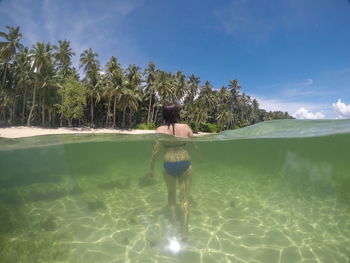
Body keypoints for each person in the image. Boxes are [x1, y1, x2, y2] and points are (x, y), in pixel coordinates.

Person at [148, 103, 198, 241]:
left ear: (164, 114)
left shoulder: (159, 129)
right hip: (184, 163)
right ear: (178, 113)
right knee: (185, 198)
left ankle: (175, 223)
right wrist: (200, 157)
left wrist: (151, 169)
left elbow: (155, 152)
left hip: (169, 164)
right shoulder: (186, 127)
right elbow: (194, 146)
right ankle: (184, 232)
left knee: (171, 195)